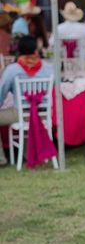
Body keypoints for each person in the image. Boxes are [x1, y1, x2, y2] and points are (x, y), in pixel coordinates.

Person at [0, 36, 53, 167]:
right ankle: (28, 153)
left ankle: (1, 159)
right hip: (43, 113)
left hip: (20, 113)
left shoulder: (12, 69)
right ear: (36, 50)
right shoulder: (48, 68)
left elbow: (1, 93)